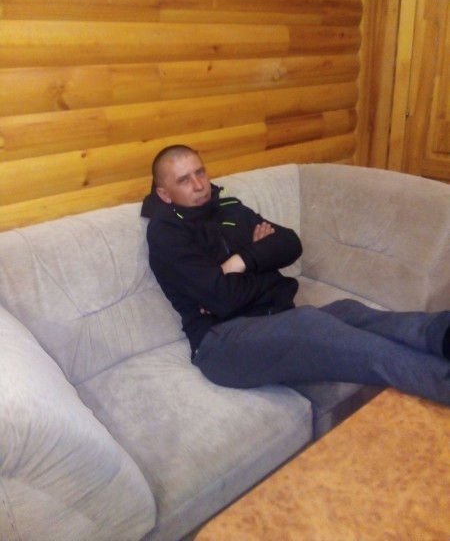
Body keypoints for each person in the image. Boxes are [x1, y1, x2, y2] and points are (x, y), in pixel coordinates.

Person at [141, 145, 450, 406]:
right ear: (165, 194)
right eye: (184, 180)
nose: (199, 185)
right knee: (312, 324)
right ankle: (441, 380)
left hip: (274, 318)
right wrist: (264, 264)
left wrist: (241, 261)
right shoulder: (167, 232)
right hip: (221, 342)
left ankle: (442, 333)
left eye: (200, 172)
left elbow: (289, 243)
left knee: (349, 312)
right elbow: (223, 299)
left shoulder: (229, 207)